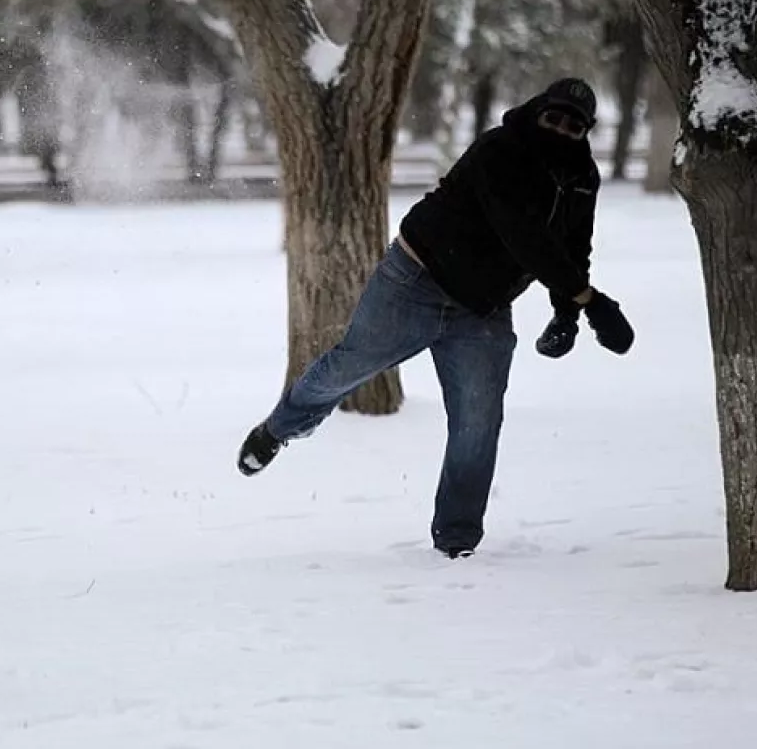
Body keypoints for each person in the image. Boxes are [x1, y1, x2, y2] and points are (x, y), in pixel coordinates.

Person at [236, 78, 635, 559]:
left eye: (574, 125)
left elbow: (573, 246)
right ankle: (278, 429)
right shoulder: (499, 150)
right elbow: (522, 236)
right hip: (415, 280)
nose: (561, 130)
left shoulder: (581, 177)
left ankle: (456, 542)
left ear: (585, 132)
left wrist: (567, 313)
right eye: (554, 118)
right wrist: (589, 300)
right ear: (537, 112)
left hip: (482, 309)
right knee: (348, 367)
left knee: (478, 422)